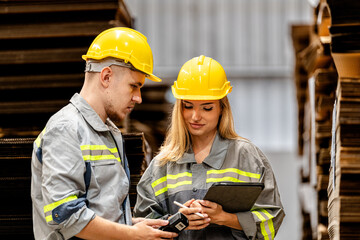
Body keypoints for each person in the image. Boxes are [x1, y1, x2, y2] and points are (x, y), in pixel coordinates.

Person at [30, 27, 177, 240]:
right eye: (134, 86)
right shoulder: (65, 129)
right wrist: (132, 234)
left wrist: (133, 223)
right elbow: (66, 215)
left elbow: (99, 210)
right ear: (106, 76)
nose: (139, 98)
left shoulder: (109, 133)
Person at [134, 55, 285, 239]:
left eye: (207, 108)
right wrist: (179, 221)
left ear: (222, 108)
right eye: (188, 106)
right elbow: (142, 228)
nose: (195, 116)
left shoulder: (246, 157)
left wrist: (224, 218)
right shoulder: (162, 166)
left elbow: (272, 219)